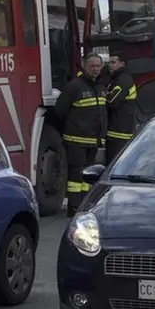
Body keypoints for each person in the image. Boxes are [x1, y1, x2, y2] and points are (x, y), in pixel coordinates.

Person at [53, 52, 108, 217]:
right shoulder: (74, 86)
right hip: (76, 140)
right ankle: (74, 208)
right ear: (85, 67)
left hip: (93, 141)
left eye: (98, 66)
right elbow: (59, 111)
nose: (95, 69)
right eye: (92, 66)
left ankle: (84, 205)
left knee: (87, 177)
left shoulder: (100, 87)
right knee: (75, 179)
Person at [105, 53, 137, 164]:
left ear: (122, 64)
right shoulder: (116, 79)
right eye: (109, 62)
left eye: (113, 62)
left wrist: (101, 93)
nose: (110, 65)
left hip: (119, 132)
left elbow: (112, 102)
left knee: (114, 164)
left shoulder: (123, 80)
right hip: (116, 130)